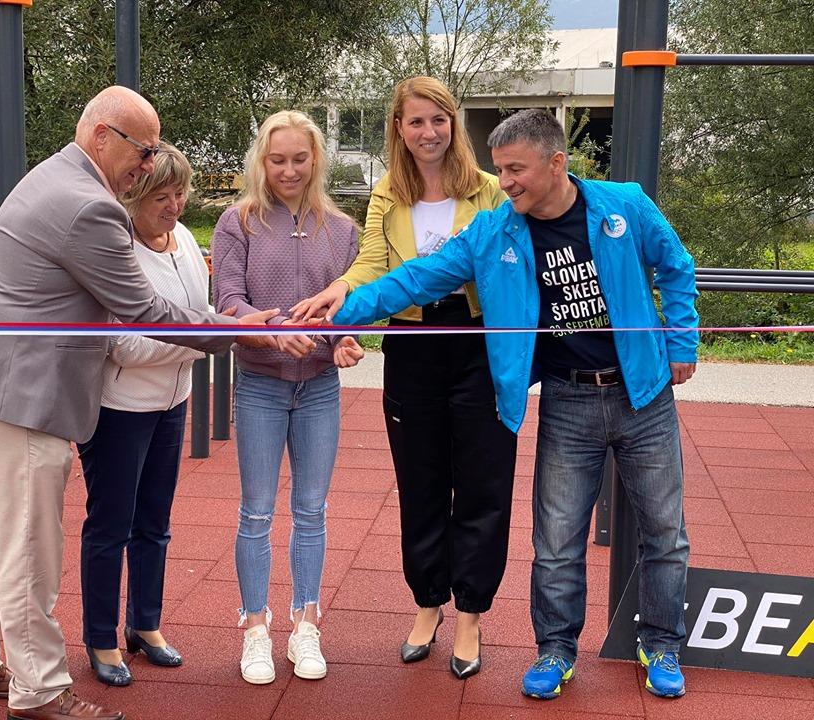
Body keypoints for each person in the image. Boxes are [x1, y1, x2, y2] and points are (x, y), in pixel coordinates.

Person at [330, 108, 698, 699]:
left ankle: (661, 644)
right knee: (556, 542)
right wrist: (339, 314)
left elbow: (676, 267)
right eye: (500, 169)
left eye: (516, 170)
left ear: (557, 163)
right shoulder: (494, 231)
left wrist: (681, 343)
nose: (505, 183)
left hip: (644, 394)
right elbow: (415, 280)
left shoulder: (624, 206)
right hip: (567, 397)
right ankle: (555, 650)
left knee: (665, 532)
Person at [0, 86, 277, 720]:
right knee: (28, 542)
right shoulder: (88, 205)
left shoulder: (55, 176)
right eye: (143, 151)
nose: (148, 166)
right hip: (24, 394)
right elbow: (144, 310)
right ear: (102, 136)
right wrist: (236, 329)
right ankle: (39, 689)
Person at [291, 76, 516, 680]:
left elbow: (503, 265)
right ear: (399, 128)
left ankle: (470, 612)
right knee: (420, 482)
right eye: (416, 121)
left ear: (454, 123)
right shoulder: (389, 192)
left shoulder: (490, 191)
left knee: (482, 483)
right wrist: (339, 289)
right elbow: (372, 263)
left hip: (477, 341)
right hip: (412, 344)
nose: (428, 132)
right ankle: (428, 602)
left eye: (439, 120)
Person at [212, 110, 365, 685]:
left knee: (312, 510)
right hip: (260, 384)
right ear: (262, 160)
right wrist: (276, 328)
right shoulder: (238, 222)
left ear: (316, 159)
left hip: (320, 387)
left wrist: (346, 341)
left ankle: (306, 623)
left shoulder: (342, 230)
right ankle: (255, 627)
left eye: (300, 159)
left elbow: (349, 308)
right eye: (278, 160)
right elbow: (228, 301)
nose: (289, 170)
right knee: (256, 510)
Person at [76, 144, 211, 687]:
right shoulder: (118, 249)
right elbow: (124, 346)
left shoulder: (185, 240)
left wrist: (205, 331)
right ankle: (101, 638)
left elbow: (201, 313)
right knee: (111, 525)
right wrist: (203, 339)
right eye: (161, 197)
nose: (174, 206)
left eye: (180, 193)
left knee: (155, 521)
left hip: (172, 402)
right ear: (134, 198)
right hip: (120, 408)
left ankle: (145, 624)